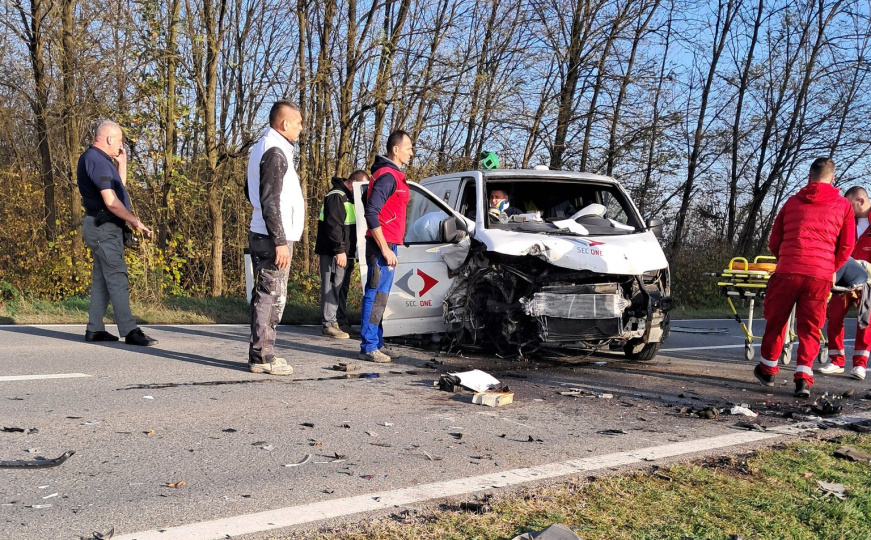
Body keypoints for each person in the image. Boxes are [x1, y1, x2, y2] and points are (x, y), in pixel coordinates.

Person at [754, 158, 855, 397]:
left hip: (787, 271)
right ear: (832, 178)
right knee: (810, 327)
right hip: (819, 275)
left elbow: (774, 240)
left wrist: (787, 258)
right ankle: (803, 379)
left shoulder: (791, 202)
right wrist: (833, 267)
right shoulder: (844, 207)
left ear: (809, 177)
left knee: (776, 321)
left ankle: (768, 370)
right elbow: (847, 244)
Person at [78, 120, 157, 346]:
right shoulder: (96, 161)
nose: (121, 145)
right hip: (104, 229)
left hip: (98, 227)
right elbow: (111, 202)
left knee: (101, 280)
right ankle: (130, 331)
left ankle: (94, 329)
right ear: (110, 139)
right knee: (117, 278)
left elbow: (116, 189)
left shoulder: (98, 161)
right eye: (120, 140)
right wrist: (134, 221)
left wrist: (121, 164)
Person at [245, 101, 305, 375]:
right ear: (284, 124)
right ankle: (262, 356)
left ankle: (264, 352)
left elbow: (251, 192)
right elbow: (270, 201)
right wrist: (280, 241)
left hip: (267, 232)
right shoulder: (275, 151)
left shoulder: (264, 147)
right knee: (270, 295)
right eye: (299, 123)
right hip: (272, 238)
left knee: (269, 295)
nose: (301, 128)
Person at [358, 130, 414, 363]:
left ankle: (376, 342)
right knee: (375, 294)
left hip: (389, 244)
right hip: (383, 246)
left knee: (381, 296)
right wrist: (385, 249)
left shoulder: (393, 176)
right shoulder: (388, 176)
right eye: (408, 147)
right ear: (395, 149)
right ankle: (369, 345)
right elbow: (371, 212)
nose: (411, 152)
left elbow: (366, 201)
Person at [822, 186, 871, 380]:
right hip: (843, 279)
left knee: (865, 322)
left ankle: (860, 364)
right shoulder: (845, 222)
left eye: (849, 204)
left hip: (867, 282)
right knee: (833, 318)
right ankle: (836, 361)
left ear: (860, 201)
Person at [315, 170, 369, 339]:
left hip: (346, 252)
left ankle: (341, 321)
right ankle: (329, 324)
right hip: (334, 252)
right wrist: (339, 251)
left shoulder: (348, 198)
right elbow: (334, 226)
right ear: (354, 184)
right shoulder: (337, 196)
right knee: (331, 286)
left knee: (341, 287)